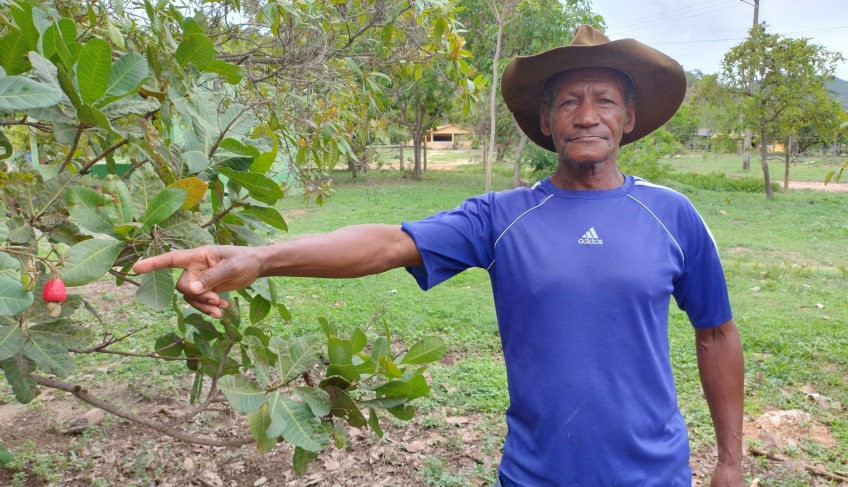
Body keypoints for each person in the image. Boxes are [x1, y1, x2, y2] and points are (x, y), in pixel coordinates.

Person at [134, 25, 744, 487]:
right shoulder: (501, 217)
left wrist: (730, 460)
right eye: (569, 101)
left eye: (605, 100)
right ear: (546, 120)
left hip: (654, 473)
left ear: (630, 117)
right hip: (535, 472)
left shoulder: (672, 216)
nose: (588, 115)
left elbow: (715, 334)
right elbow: (388, 241)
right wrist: (263, 257)